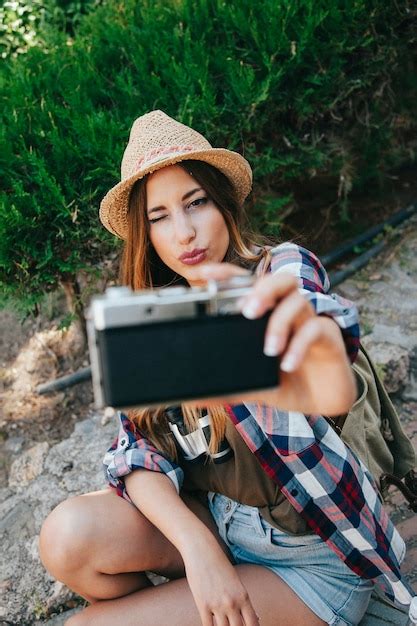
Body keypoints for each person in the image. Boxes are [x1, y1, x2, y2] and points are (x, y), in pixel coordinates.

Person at [39, 110, 417, 626]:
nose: (185, 232)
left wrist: (320, 356)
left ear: (224, 203)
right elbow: (136, 452)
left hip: (314, 556)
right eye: (160, 216)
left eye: (196, 203)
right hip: (219, 524)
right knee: (67, 538)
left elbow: (328, 374)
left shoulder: (279, 270)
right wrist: (200, 552)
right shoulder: (155, 316)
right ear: (145, 235)